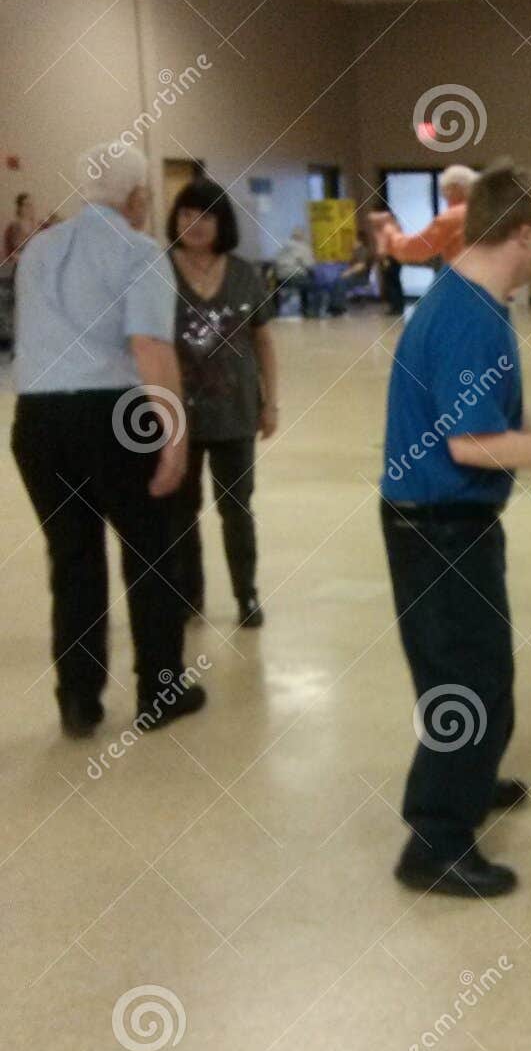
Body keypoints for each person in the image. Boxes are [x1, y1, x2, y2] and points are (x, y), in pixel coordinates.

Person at [381, 161, 531, 900]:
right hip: (436, 523)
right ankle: (434, 839)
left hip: (457, 520)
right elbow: (469, 443)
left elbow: (497, 423)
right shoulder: (469, 316)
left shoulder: (480, 301)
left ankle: (471, 779)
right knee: (463, 677)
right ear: (524, 232)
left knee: (485, 665)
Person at [10, 145, 205, 736]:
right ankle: (158, 692)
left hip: (38, 419)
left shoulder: (38, 249)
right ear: (136, 198)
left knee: (72, 560)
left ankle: (78, 699)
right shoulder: (140, 251)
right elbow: (151, 349)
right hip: (115, 415)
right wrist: (173, 437)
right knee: (149, 553)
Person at [166, 177, 278, 630]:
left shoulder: (244, 273)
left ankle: (245, 593)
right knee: (180, 510)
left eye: (206, 215)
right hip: (178, 418)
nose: (195, 224)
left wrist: (270, 404)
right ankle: (188, 594)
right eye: (187, 214)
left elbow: (264, 341)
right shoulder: (159, 271)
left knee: (237, 508)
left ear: (222, 222)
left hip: (236, 413)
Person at [371, 164, 476, 273]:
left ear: (453, 188)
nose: (445, 196)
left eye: (445, 191)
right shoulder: (485, 214)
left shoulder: (453, 218)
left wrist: (390, 231)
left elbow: (414, 250)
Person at [1, 193, 37, 354]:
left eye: (31, 205)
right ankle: (18, 346)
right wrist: (21, 257)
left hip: (35, 272)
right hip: (19, 270)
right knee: (19, 308)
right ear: (20, 208)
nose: (30, 208)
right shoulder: (13, 228)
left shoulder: (38, 228)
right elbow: (8, 252)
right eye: (27, 205)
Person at [275, 227, 320, 316]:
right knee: (316, 286)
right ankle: (310, 312)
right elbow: (309, 265)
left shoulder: (283, 245)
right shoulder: (302, 247)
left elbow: (276, 261)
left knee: (306, 282)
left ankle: (277, 311)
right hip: (295, 278)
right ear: (302, 236)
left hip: (280, 279)